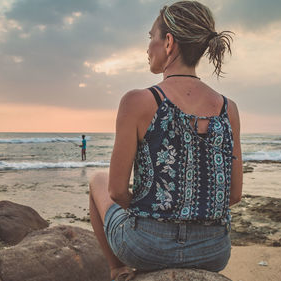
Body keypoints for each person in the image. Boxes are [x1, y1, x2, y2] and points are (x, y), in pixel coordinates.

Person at [88, 1, 243, 280]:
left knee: (98, 180)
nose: (148, 47)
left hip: (146, 247)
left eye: (151, 37)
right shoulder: (227, 109)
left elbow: (117, 192)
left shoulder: (138, 101)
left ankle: (118, 270)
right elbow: (233, 196)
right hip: (214, 251)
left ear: (169, 42)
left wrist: (154, 213)